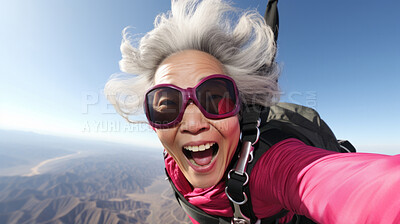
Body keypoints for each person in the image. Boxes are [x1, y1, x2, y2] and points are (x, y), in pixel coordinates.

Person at [104, 0, 400, 223]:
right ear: (154, 123)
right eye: (167, 105)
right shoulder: (174, 161)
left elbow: (359, 189)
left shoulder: (272, 168)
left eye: (215, 99)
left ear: (238, 111)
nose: (192, 123)